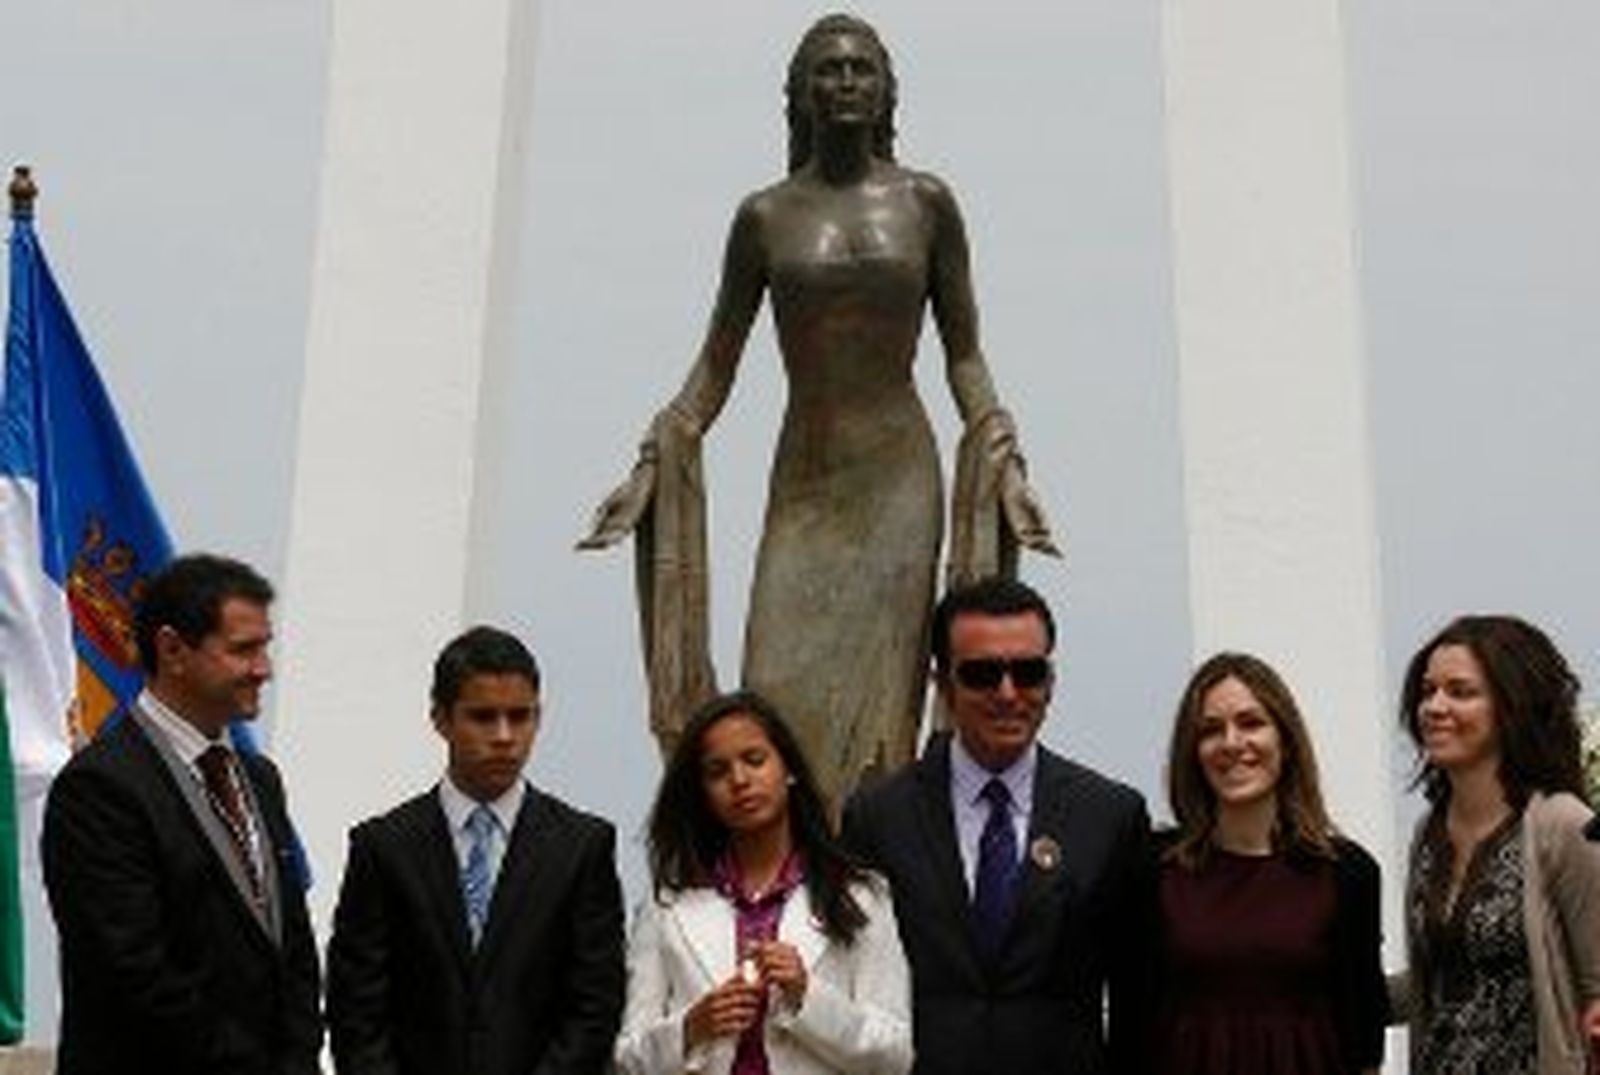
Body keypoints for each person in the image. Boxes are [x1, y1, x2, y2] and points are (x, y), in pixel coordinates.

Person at [578, 13, 1058, 808]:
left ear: (885, 91)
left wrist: (1004, 455)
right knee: (775, 692)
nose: (844, 84)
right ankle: (780, 884)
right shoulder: (766, 216)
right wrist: (655, 457)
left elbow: (963, 355)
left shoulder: (925, 203)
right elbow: (715, 367)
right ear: (799, 92)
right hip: (806, 484)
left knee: (884, 715)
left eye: (860, 70)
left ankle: (868, 889)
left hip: (899, 478)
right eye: (828, 71)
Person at [841, 576, 1152, 1075]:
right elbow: (852, 986)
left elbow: (1139, 1001)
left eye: (1028, 672)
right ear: (943, 684)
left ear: (1050, 681)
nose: (1008, 693)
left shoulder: (1111, 816)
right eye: (983, 675)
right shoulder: (878, 817)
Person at [40, 553, 321, 1074]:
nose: (264, 670)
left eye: (265, 649)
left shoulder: (260, 782)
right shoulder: (99, 788)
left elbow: (292, 951)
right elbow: (132, 972)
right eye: (243, 650)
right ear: (172, 649)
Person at [326, 625, 625, 1074]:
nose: (504, 736)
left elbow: (595, 1007)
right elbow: (356, 1011)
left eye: (520, 716)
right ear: (441, 719)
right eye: (483, 717)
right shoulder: (384, 847)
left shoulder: (581, 846)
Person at [615, 690, 912, 1075]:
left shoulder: (859, 896)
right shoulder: (667, 907)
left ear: (788, 770)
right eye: (717, 771)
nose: (739, 780)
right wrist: (691, 1028)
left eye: (754, 760)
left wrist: (807, 996)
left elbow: (895, 1056)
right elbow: (627, 1059)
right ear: (702, 793)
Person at [1154, 652, 1384, 1075]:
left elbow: (1363, 1038)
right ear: (1192, 751)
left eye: (1251, 723)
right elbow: (1133, 1025)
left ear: (1286, 739)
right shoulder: (1153, 870)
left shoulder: (1349, 872)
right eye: (1210, 730)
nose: (1231, 743)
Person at [1392, 615, 1600, 1075]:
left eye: (1460, 691)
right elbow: (1440, 979)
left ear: (1513, 707)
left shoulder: (1564, 826)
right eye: (1427, 691)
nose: (1434, 706)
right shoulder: (1427, 834)